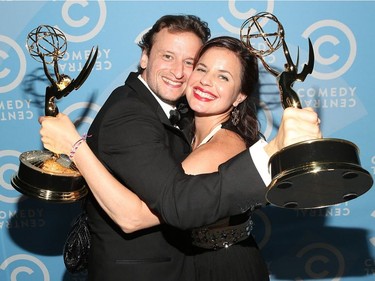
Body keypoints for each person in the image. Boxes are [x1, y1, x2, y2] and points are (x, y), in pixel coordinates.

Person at [39, 16, 321, 281]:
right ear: (144, 56)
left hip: (222, 267)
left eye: (190, 62)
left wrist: (75, 147)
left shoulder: (220, 143)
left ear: (240, 96)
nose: (182, 73)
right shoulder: (138, 114)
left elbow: (140, 215)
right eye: (200, 68)